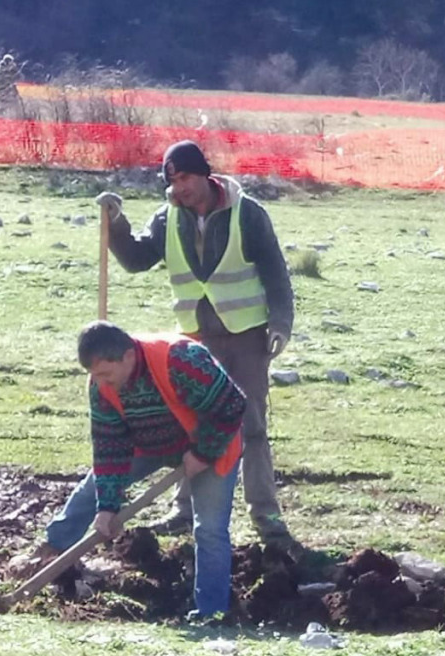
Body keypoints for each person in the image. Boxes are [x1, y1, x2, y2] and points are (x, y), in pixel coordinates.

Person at [95, 141, 296, 548]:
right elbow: (136, 259)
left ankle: (266, 515)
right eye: (173, 181)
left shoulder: (247, 213)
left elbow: (275, 271)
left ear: (205, 173)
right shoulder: (167, 218)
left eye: (186, 177)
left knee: (252, 426)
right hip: (193, 341)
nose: (180, 187)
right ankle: (183, 511)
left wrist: (280, 323)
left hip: (246, 336)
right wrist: (115, 223)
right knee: (191, 424)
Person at [33, 321, 246, 621]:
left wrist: (203, 453)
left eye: (106, 374)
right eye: (95, 376)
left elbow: (233, 405)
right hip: (148, 444)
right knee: (91, 491)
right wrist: (107, 507)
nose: (101, 383)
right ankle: (50, 554)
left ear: (129, 357)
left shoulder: (181, 358)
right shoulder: (101, 386)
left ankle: (211, 614)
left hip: (210, 441)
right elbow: (109, 447)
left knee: (209, 529)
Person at [0, 54, 22, 118]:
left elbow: (18, 76)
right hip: (2, 89)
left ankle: (18, 115)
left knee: (16, 102)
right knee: (1, 103)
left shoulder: (12, 67)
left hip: (10, 88)